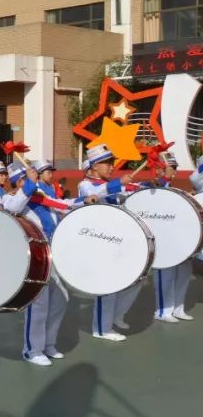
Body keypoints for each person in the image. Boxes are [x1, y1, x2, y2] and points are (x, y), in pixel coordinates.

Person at [78, 144, 141, 342]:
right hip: (99, 242)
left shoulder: (108, 184)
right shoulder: (85, 184)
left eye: (111, 163)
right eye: (106, 163)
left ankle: (116, 315)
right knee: (107, 286)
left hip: (117, 240)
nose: (111, 166)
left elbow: (126, 193)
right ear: (93, 167)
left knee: (136, 279)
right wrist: (117, 184)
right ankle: (102, 329)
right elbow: (96, 194)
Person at [19, 159, 71, 365]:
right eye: (48, 171)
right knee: (38, 304)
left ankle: (48, 343)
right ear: (38, 174)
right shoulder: (30, 195)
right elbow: (11, 204)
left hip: (52, 252)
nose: (52, 174)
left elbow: (62, 207)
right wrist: (29, 184)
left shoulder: (48, 194)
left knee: (61, 298)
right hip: (37, 254)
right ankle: (32, 349)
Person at [150, 153, 193, 323]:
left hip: (175, 239)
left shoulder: (170, 186)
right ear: (159, 170)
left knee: (184, 272)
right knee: (164, 276)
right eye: (172, 168)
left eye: (175, 168)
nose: (175, 172)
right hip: (161, 241)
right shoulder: (153, 186)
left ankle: (178, 308)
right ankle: (162, 311)